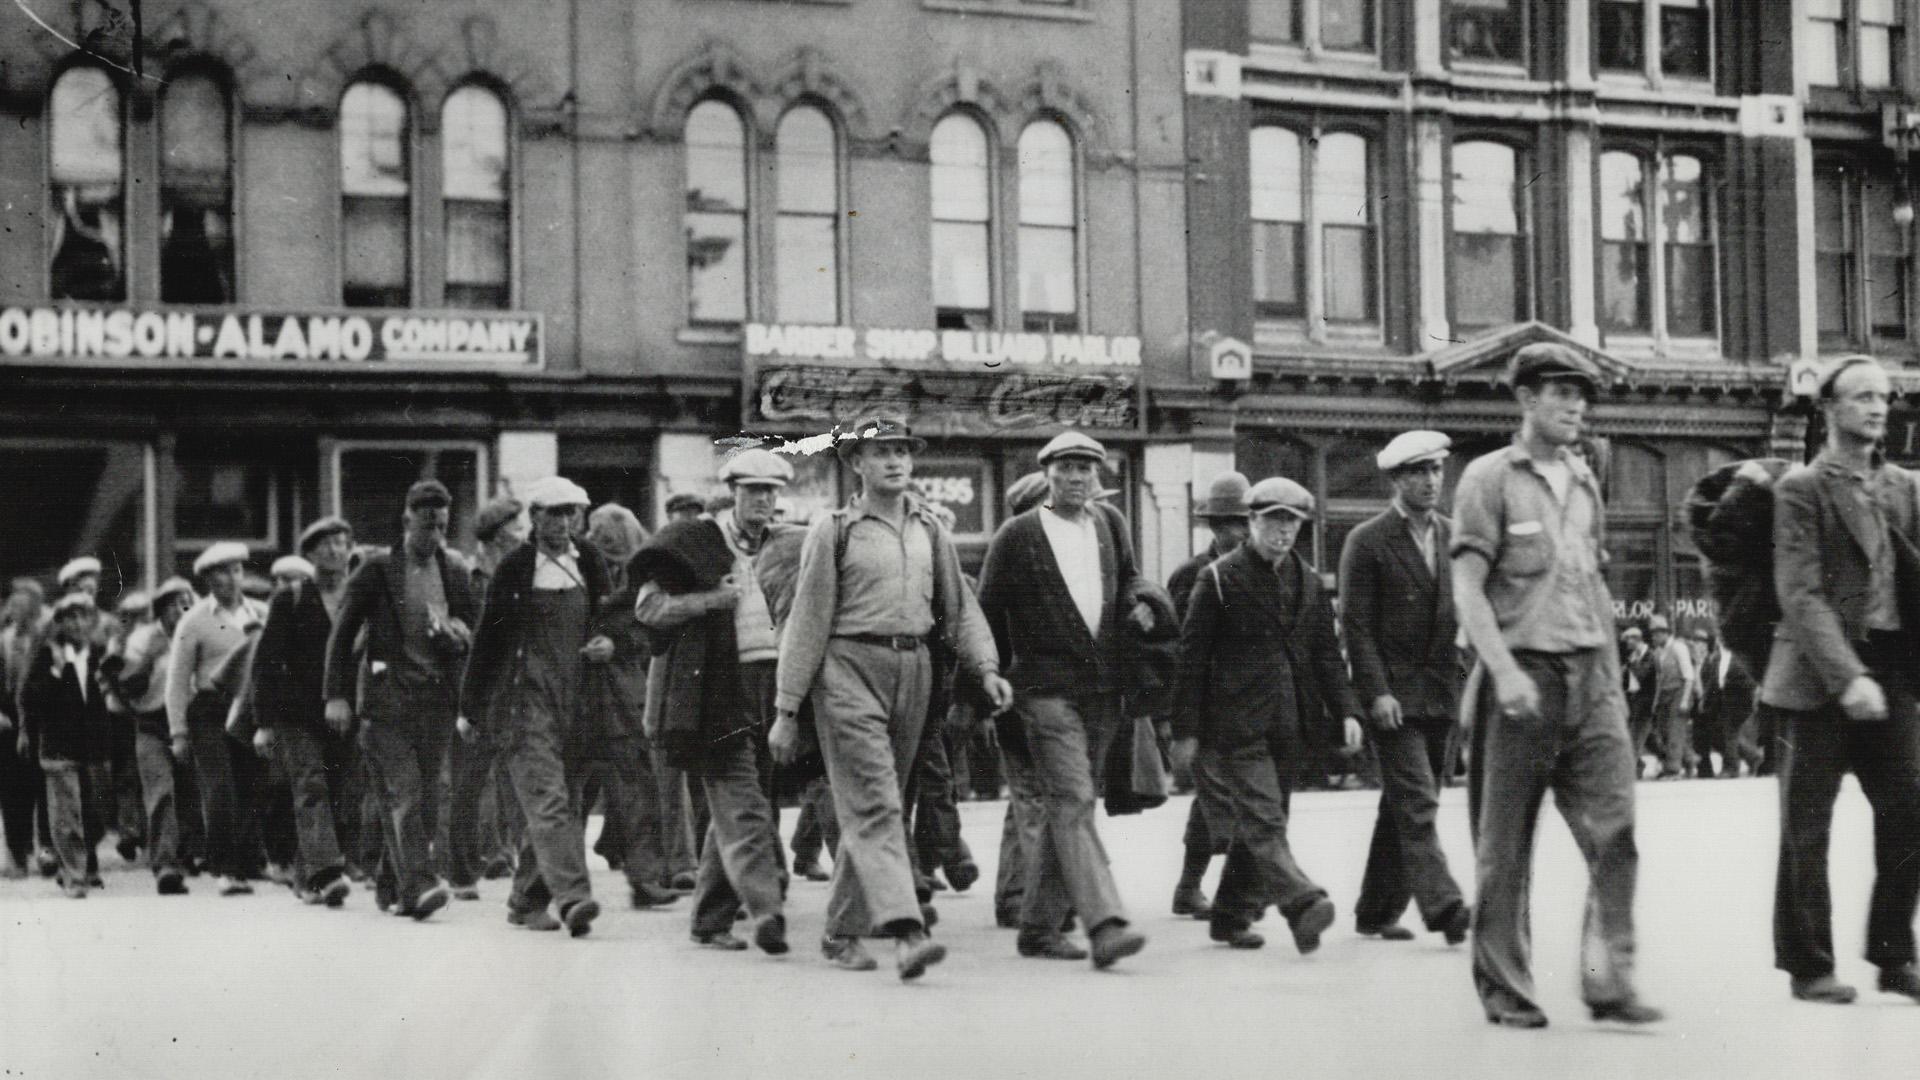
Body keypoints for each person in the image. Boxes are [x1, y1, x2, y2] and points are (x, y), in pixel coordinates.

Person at [1451, 342, 1661, 1028]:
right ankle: (1507, 988)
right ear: (1525, 400)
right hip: (1523, 679)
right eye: (1560, 392)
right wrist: (1504, 672)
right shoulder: (1489, 479)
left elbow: (1590, 581)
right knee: (1504, 848)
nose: (1575, 405)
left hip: (1590, 676)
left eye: (1581, 394)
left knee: (1616, 830)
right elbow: (1468, 589)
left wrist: (1611, 682)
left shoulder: (1583, 479)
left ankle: (1607, 980)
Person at [771, 415, 1010, 980]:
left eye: (903, 450)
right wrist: (786, 710)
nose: (896, 461)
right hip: (848, 669)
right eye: (881, 453)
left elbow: (960, 611)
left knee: (877, 806)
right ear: (856, 464)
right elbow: (806, 624)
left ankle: (839, 931)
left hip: (915, 670)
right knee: (875, 803)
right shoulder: (835, 531)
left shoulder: (931, 530)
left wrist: (987, 668)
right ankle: (905, 931)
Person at [1762, 355, 1920, 1006]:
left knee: (1910, 810)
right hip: (1817, 678)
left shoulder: (1902, 488)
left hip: (1890, 672)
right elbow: (1800, 595)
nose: (1878, 408)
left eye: (1884, 397)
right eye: (1861, 397)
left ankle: (1892, 952)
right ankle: (1809, 964)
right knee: (1807, 826)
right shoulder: (1802, 487)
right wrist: (1847, 675)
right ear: (1828, 408)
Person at [976, 430, 1151, 968]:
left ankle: (1038, 928)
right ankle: (1105, 923)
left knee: (1070, 804)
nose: (1077, 478)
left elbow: (1130, 581)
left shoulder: (1111, 525)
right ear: (1046, 473)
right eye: (1066, 468)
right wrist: (986, 681)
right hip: (1041, 691)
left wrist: (1143, 606)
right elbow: (985, 613)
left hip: (1101, 690)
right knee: (1073, 797)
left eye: (1086, 469)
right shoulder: (1018, 534)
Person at [1169, 476, 1361, 952]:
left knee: (1268, 819)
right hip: (1234, 725)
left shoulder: (1309, 581)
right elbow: (1191, 659)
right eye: (1273, 520)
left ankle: (1230, 916)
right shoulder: (1216, 579)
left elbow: (1325, 655)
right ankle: (1302, 902)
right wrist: (1185, 731)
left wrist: (1347, 711)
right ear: (1250, 521)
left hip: (1291, 723)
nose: (1283, 531)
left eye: (1291, 522)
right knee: (1263, 819)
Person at [636, 448, 799, 954]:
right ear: (733, 492)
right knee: (743, 802)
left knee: (741, 806)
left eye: (770, 491)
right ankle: (766, 907)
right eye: (752, 490)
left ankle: (710, 920)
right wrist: (709, 600)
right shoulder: (694, 541)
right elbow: (648, 610)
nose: (763, 500)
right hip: (713, 690)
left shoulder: (785, 544)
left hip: (771, 686)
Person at [1340, 431, 1472, 946]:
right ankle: (1445, 907)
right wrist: (1376, 693)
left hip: (1442, 693)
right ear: (1396, 480)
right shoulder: (1367, 540)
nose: (1430, 481)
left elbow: (1466, 612)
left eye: (1437, 470)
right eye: (1418, 472)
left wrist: (1465, 678)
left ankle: (1375, 910)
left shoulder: (1453, 535)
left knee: (1405, 803)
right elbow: (1356, 625)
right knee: (1418, 801)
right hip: (1394, 699)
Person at [324, 480, 477, 922]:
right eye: (427, 526)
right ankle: (419, 886)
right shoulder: (376, 571)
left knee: (431, 797)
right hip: (388, 700)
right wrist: (335, 695)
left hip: (436, 700)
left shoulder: (455, 570)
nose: (435, 536)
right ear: (407, 520)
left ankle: (392, 882)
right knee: (403, 792)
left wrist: (459, 635)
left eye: (443, 527)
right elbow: (341, 636)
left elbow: (472, 625)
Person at [460, 477, 602, 937]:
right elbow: (487, 641)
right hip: (524, 701)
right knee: (548, 800)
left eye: (570, 513)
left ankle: (525, 899)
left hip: (578, 700)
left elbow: (617, 614)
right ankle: (575, 897)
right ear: (535, 518)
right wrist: (471, 708)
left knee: (568, 802)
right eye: (552, 513)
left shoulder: (591, 562)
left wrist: (613, 640)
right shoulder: (515, 569)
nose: (562, 523)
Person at [570, 502, 679, 910]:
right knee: (570, 794)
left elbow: (649, 630)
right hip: (584, 695)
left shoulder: (642, 579)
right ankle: (546, 887)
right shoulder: (578, 568)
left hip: (619, 695)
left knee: (633, 788)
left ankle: (645, 878)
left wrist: (616, 644)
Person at [248, 519, 356, 908]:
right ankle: (328, 873)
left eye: (341, 544)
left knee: (342, 789)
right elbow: (266, 662)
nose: (335, 552)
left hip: (346, 710)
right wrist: (263, 724)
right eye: (324, 546)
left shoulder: (358, 593)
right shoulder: (290, 598)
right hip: (296, 714)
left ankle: (305, 873)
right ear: (309, 555)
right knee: (311, 786)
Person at [1163, 471, 1251, 921]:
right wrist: (1179, 720)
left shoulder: (1257, 572)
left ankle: (1188, 888)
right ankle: (1238, 899)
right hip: (1204, 710)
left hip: (1243, 709)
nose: (1246, 531)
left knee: (1210, 803)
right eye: (1238, 522)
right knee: (1228, 807)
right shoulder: (1193, 576)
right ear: (1217, 527)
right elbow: (1180, 649)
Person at [166, 542, 267, 897]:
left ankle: (246, 863)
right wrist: (178, 732)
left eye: (237, 570)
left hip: (251, 709)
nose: (231, 578)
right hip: (209, 711)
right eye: (222, 572)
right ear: (208, 579)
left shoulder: (261, 613)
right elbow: (177, 681)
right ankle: (224, 866)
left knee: (250, 786)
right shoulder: (193, 621)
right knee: (219, 788)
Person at [446, 495, 528, 897]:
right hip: (475, 690)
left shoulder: (520, 572)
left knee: (512, 778)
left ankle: (502, 853)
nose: (523, 532)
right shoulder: (467, 575)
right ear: (497, 535)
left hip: (512, 689)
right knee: (469, 781)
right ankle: (461, 867)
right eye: (516, 526)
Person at [100, 578, 194, 895]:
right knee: (160, 791)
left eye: (186, 602)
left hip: (192, 722)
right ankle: (166, 865)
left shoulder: (197, 631)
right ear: (161, 610)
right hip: (152, 723)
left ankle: (192, 853)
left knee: (192, 792)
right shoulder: (143, 638)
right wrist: (149, 658)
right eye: (173, 604)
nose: (181, 610)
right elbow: (127, 684)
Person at [18, 593, 113, 897]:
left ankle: (78, 865)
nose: (76, 623)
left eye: (82, 615)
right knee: (66, 813)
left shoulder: (98, 654)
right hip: (58, 747)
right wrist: (57, 672)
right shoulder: (48, 655)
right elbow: (31, 699)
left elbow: (104, 702)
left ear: (91, 620)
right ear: (59, 623)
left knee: (94, 812)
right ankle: (74, 874)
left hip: (92, 747)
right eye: (69, 617)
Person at [1, 578, 53, 878]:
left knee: (46, 786)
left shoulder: (45, 638)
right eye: (13, 603)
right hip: (8, 720)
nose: (15, 609)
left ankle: (47, 849)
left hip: (42, 718)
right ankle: (18, 853)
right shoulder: (3, 640)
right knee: (14, 791)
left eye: (23, 605)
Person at [1690, 627, 1754, 779]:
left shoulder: (1737, 657)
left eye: (1723, 639)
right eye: (1719, 639)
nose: (1720, 641)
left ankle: (1731, 768)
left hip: (1737, 702)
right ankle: (1751, 758)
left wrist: (1729, 686)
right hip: (1719, 704)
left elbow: (1747, 680)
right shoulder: (1717, 658)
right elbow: (1714, 682)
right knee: (1725, 735)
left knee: (1729, 734)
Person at [1647, 615, 1695, 779]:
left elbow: (1689, 676)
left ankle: (1673, 770)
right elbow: (1659, 680)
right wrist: (1656, 702)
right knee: (1665, 732)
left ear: (1666, 633)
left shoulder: (1679, 647)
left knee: (1675, 731)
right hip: (1665, 695)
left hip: (1680, 692)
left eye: (1658, 633)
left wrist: (1684, 701)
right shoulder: (1659, 652)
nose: (1654, 637)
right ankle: (1689, 761)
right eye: (1653, 634)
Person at [1619, 624, 1658, 774]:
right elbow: (1626, 681)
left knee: (1636, 736)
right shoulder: (1633, 656)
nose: (1627, 643)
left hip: (1647, 703)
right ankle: (1640, 764)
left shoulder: (1650, 655)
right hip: (1634, 703)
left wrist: (1630, 666)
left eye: (1629, 639)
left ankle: (1631, 770)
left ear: (1637, 639)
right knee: (1648, 738)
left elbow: (1641, 675)